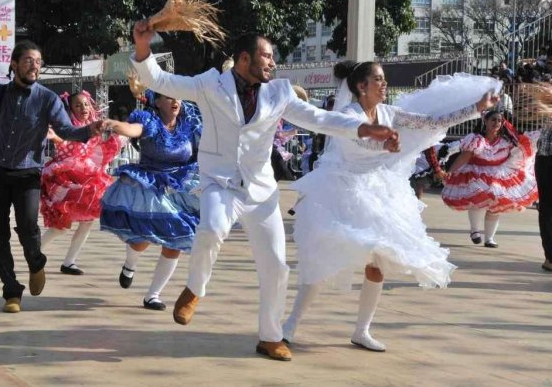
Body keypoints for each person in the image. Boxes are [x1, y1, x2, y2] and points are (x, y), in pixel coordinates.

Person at [130, 21, 399, 362]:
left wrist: (366, 129)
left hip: (260, 192)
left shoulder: (280, 92)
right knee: (211, 228)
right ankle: (195, 288)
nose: (273, 63)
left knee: (276, 266)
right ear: (245, 59)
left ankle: (270, 337)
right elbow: (161, 81)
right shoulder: (210, 84)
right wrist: (143, 49)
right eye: (267, 56)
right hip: (220, 182)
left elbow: (319, 119)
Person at [282, 61, 499, 352]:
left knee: (378, 262)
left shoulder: (389, 112)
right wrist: (383, 144)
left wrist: (477, 107)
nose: (384, 85)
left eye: (384, 80)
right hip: (343, 191)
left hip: (380, 191)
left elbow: (432, 123)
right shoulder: (347, 115)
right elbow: (354, 143)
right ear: (362, 86)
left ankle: (362, 330)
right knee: (325, 261)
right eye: (378, 80)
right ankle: (289, 326)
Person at [0, 40, 103, 313]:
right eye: (29, 60)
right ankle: (11, 291)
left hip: (28, 173)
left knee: (28, 226)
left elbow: (65, 130)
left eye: (38, 62)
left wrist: (91, 129)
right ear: (14, 65)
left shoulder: (47, 98)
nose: (35, 66)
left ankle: (36, 261)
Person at [100, 90, 202, 311]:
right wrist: (115, 125)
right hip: (150, 184)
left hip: (179, 185)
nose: (175, 101)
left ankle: (153, 295)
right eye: (168, 97)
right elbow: (133, 130)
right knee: (141, 240)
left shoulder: (189, 124)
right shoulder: (149, 120)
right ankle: (130, 265)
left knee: (176, 239)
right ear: (157, 102)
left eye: (178, 96)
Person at [40, 90, 124, 275]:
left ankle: (69, 262)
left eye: (86, 104)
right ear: (70, 108)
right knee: (61, 225)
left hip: (87, 177)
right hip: (65, 177)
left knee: (87, 222)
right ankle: (34, 252)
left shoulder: (92, 126)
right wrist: (55, 138)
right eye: (77, 105)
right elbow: (64, 142)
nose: (83, 108)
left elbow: (100, 149)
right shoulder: (67, 125)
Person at [442, 109, 539, 248]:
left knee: (496, 206)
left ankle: (489, 238)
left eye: (499, 120)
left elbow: (519, 152)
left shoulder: (507, 141)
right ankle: (475, 231)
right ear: (485, 121)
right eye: (493, 119)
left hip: (498, 175)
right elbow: (464, 157)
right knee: (477, 199)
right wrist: (450, 171)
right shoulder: (476, 139)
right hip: (476, 172)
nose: (497, 123)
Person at [535, 124, 552, 272]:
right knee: (547, 209)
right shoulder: (545, 104)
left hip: (545, 158)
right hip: (546, 158)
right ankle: (550, 257)